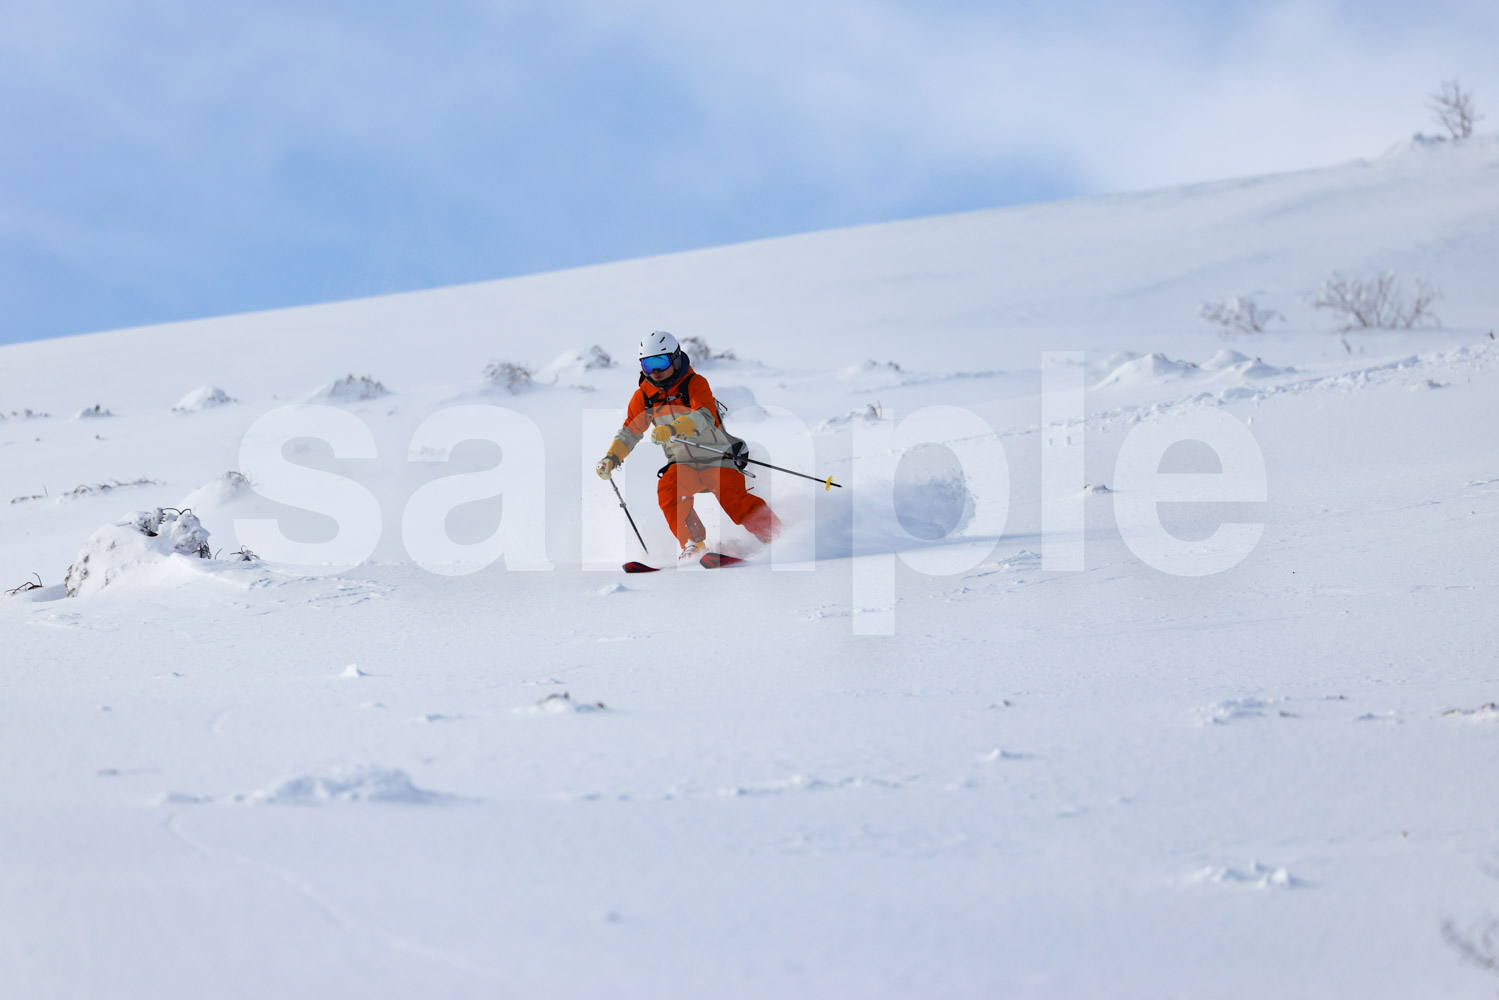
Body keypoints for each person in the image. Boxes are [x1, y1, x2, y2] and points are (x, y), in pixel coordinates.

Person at [596, 331, 780, 558]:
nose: (655, 371)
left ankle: (777, 537)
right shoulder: (644, 397)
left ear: (674, 359)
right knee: (668, 489)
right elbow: (629, 432)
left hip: (717, 458)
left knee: (734, 499)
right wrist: (611, 458)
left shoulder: (694, 384)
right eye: (647, 364)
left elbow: (705, 416)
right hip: (683, 464)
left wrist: (673, 428)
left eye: (660, 362)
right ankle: (693, 545)